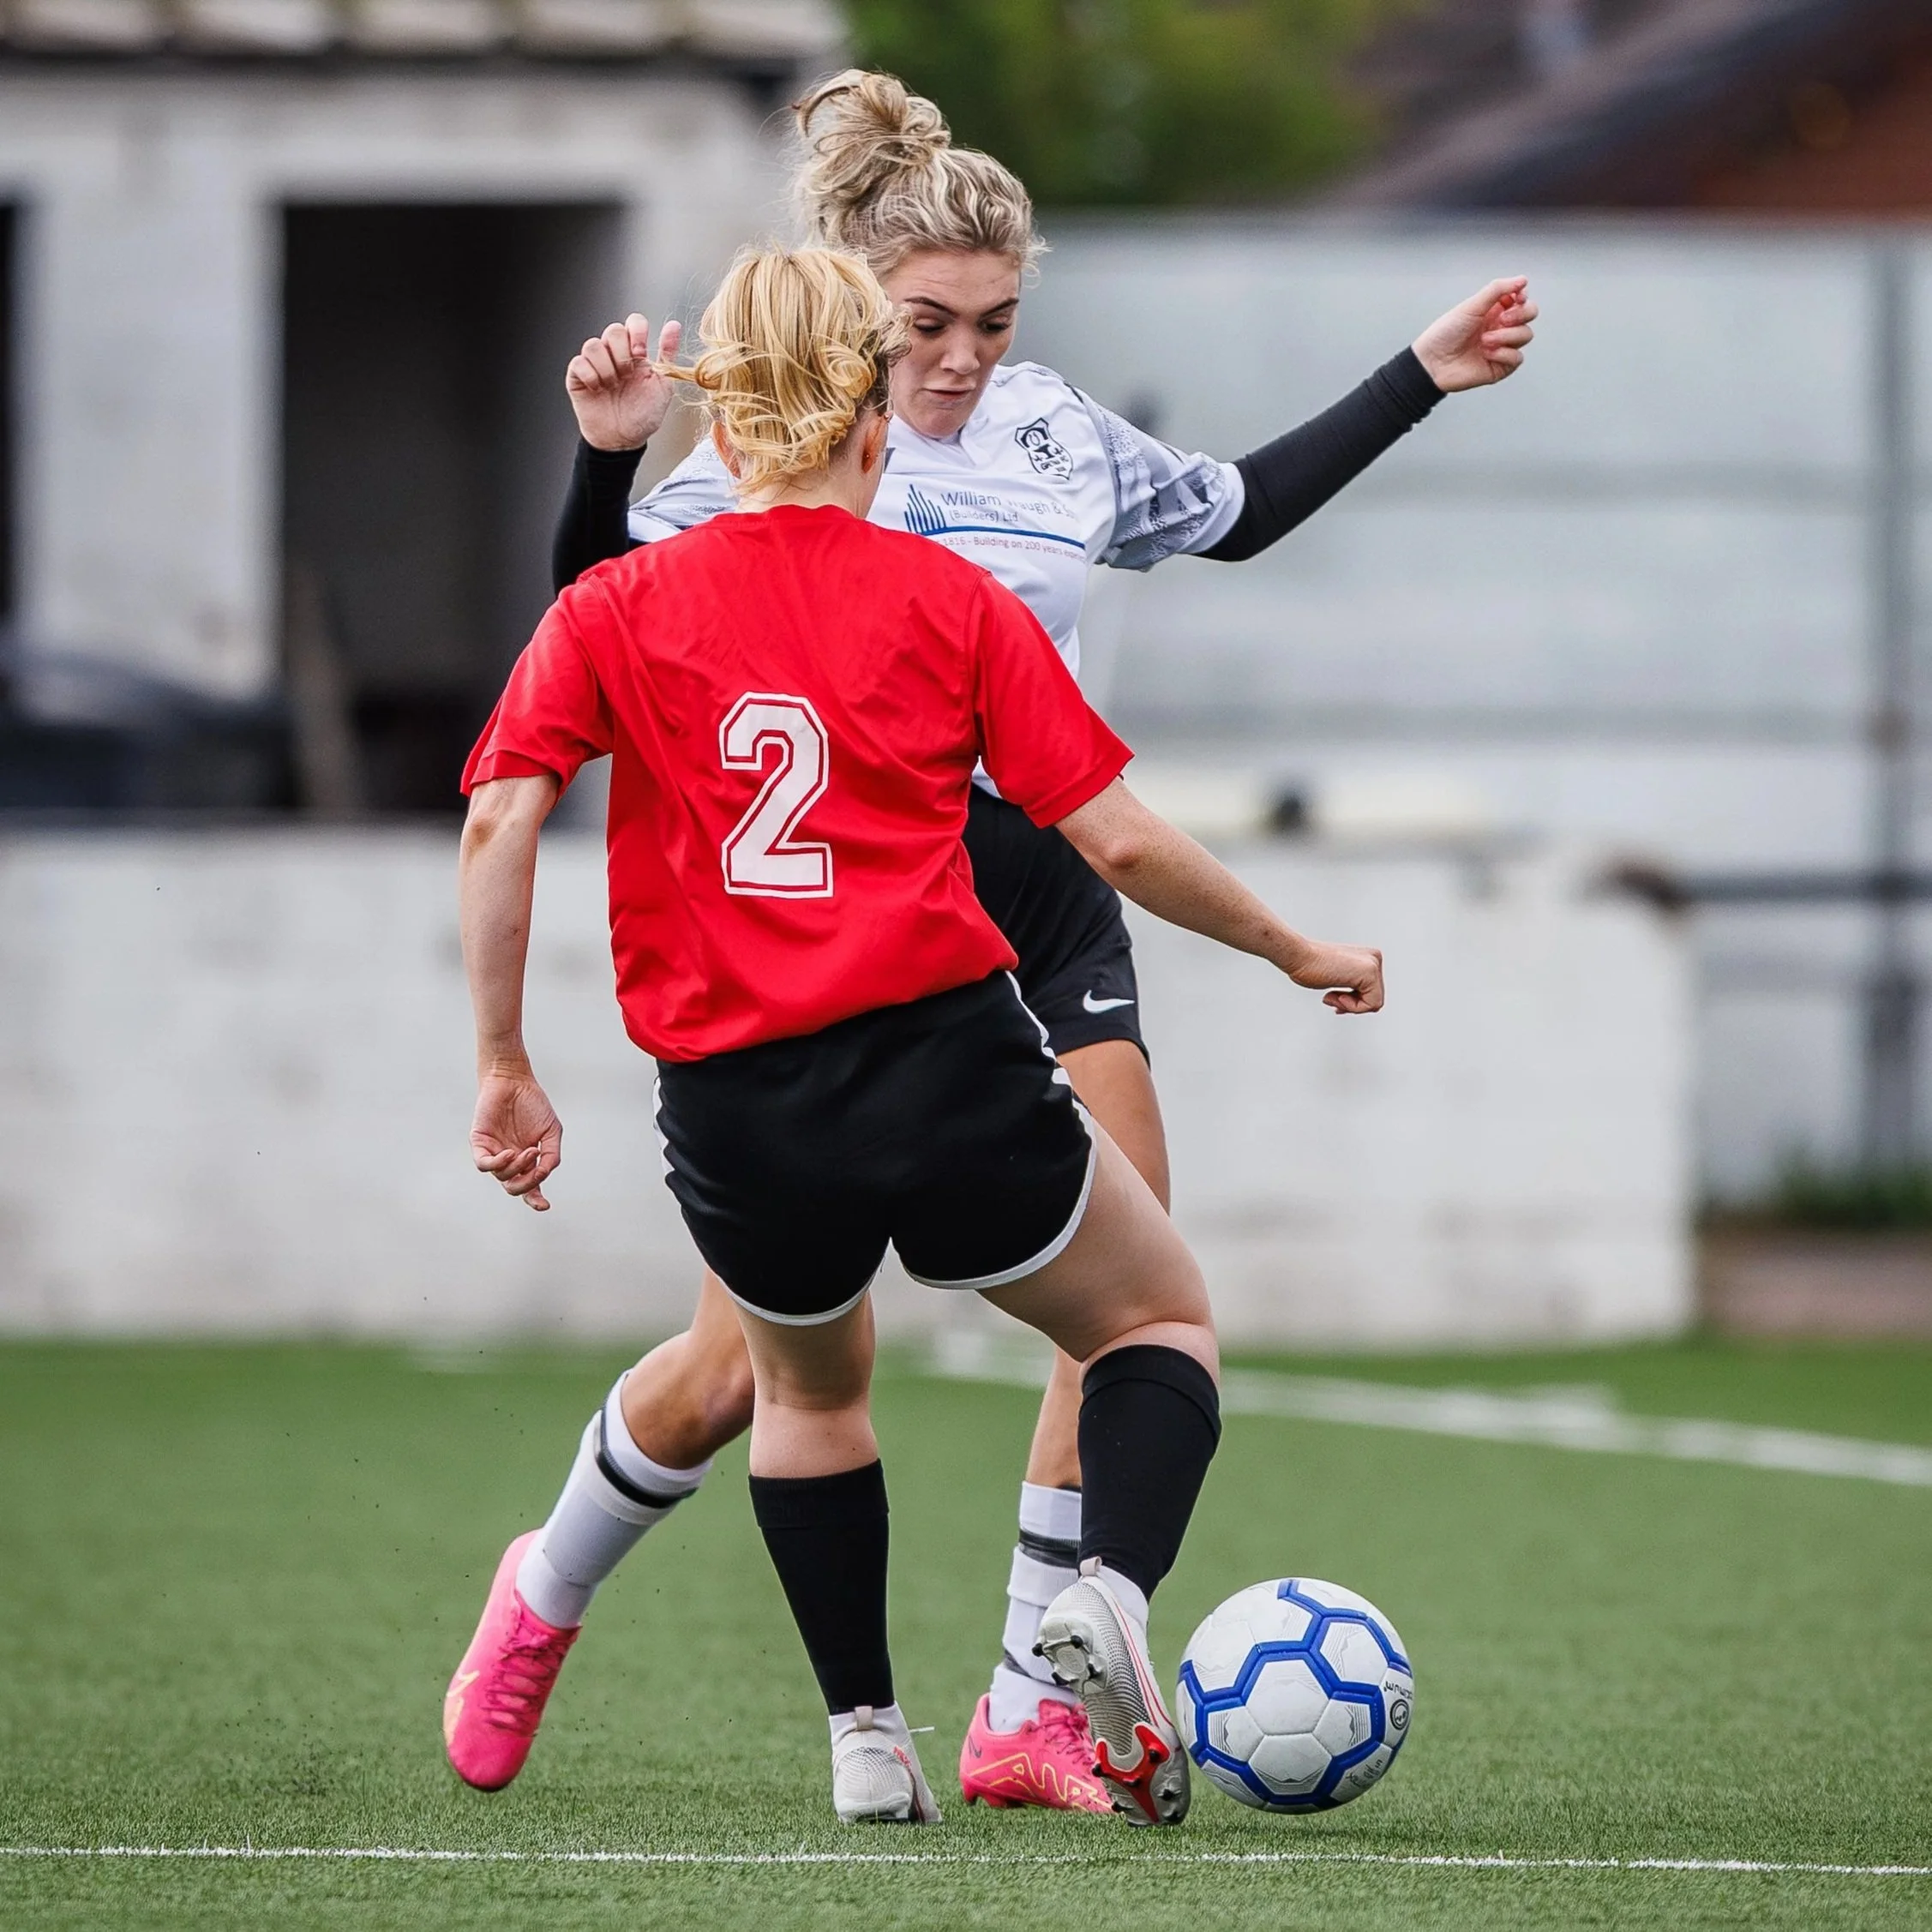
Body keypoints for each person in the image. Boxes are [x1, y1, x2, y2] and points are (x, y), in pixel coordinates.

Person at [450, 68, 1529, 1811]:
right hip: (845, 914)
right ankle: (548, 1578)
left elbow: (1236, 510)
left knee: (1116, 1270)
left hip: (1030, 884)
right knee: (747, 1368)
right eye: (924, 324)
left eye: (992, 321)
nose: (955, 357)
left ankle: (1031, 1689)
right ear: (846, 315)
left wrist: (1417, 376)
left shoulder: (1053, 431)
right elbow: (584, 635)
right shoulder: (747, 447)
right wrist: (605, 453)